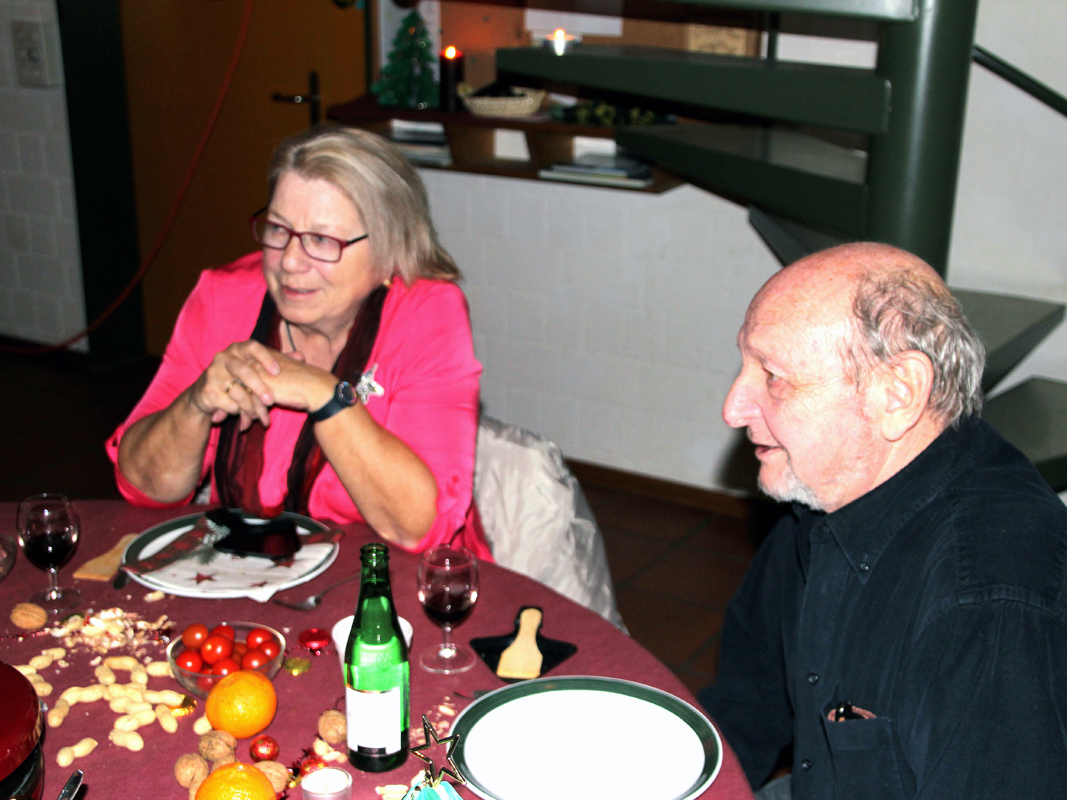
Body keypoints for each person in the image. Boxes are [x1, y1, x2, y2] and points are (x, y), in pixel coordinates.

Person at [699, 242, 1067, 799]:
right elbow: (748, 700)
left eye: (772, 375)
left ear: (897, 392)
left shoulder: (991, 601)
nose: (733, 408)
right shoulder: (826, 489)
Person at [107, 126, 491, 559]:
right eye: (278, 230)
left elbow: (418, 528)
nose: (289, 261)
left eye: (322, 240)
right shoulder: (222, 299)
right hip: (250, 569)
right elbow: (141, 486)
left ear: (388, 248)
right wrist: (195, 404)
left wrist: (323, 393)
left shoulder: (427, 313)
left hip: (404, 580)